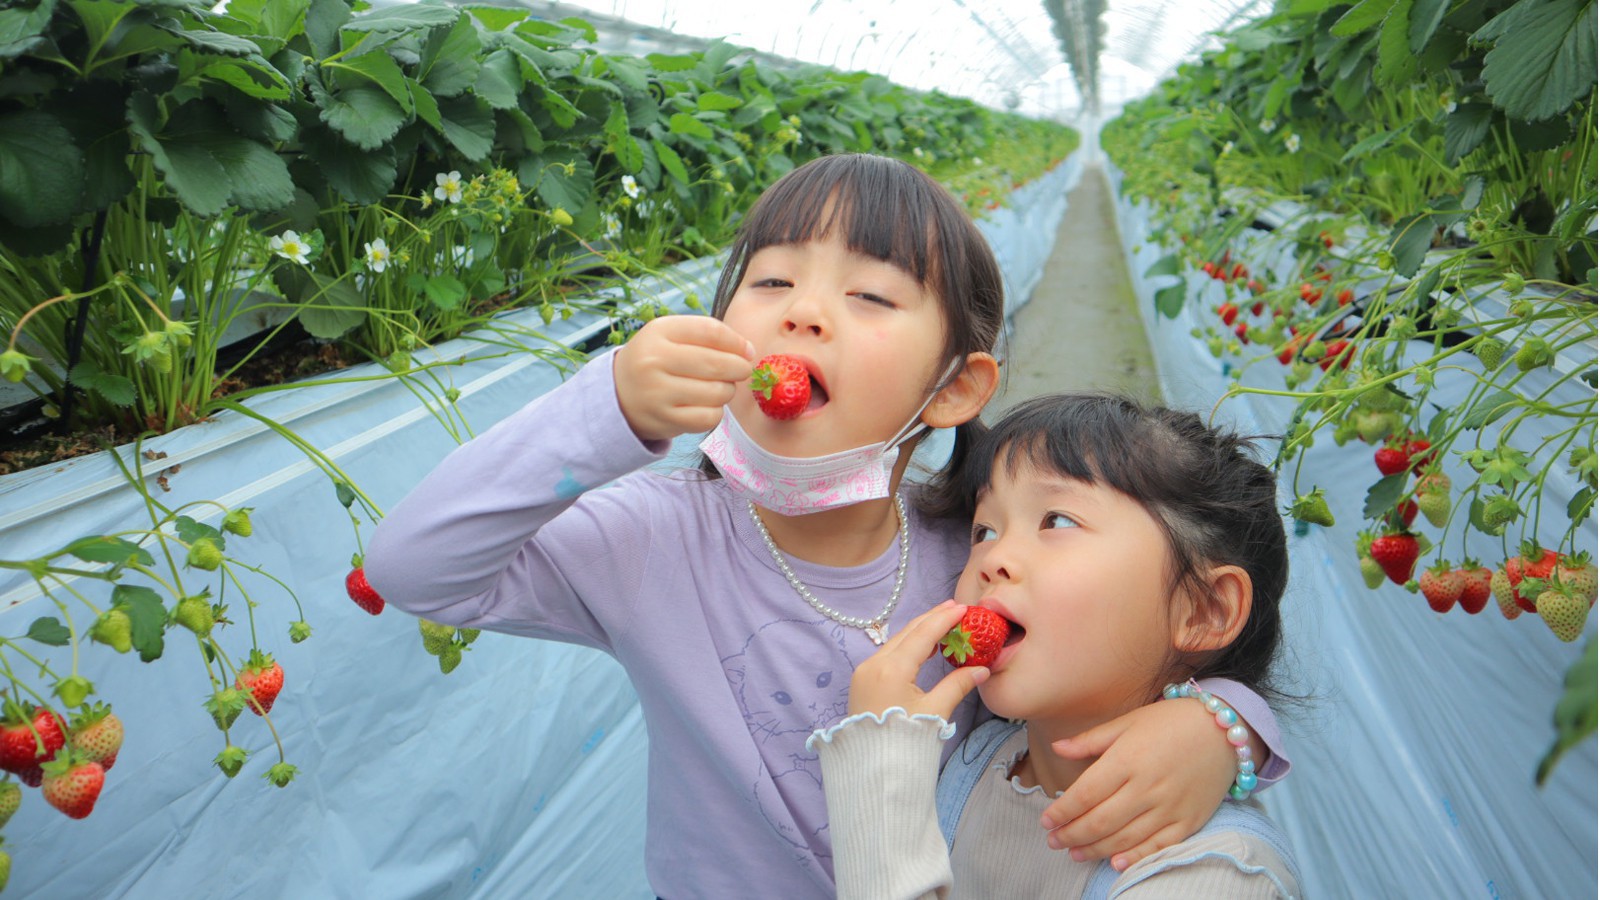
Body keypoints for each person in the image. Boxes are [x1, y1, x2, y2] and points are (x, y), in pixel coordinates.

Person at [365, 155, 1291, 899]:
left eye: (871, 297)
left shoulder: (977, 553)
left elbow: (1127, 649)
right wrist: (607, 411)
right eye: (770, 280)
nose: (802, 311)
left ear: (953, 390)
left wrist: (1221, 727)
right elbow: (414, 566)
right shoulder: (650, 542)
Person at [810, 393, 1303, 898]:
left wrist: (878, 771)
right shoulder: (974, 754)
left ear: (1204, 611)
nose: (992, 558)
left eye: (1057, 521)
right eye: (984, 529)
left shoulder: (1212, 875)